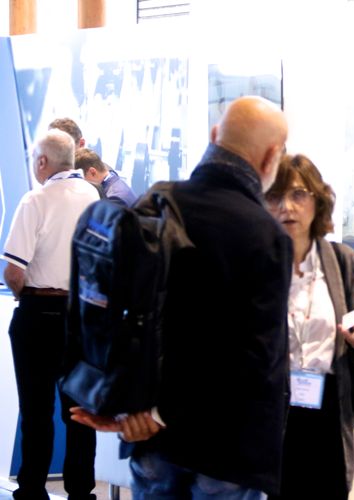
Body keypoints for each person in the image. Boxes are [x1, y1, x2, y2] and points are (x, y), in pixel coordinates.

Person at [70, 96, 291, 499]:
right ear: (271, 156)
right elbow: (255, 358)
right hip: (227, 448)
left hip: (150, 437)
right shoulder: (266, 235)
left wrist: (139, 411)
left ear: (214, 136)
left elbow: (126, 317)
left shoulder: (157, 202)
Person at [264, 154, 354, 500]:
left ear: (318, 201)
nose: (287, 207)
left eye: (298, 194)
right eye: (275, 196)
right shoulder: (255, 263)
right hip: (271, 412)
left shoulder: (342, 261)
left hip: (328, 409)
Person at [2, 129, 100, 500]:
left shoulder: (35, 199)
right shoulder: (92, 196)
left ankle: (31, 490)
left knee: (36, 410)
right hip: (81, 316)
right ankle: (81, 492)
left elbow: (13, 271)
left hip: (38, 313)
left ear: (42, 161)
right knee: (79, 411)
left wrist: (26, 296)